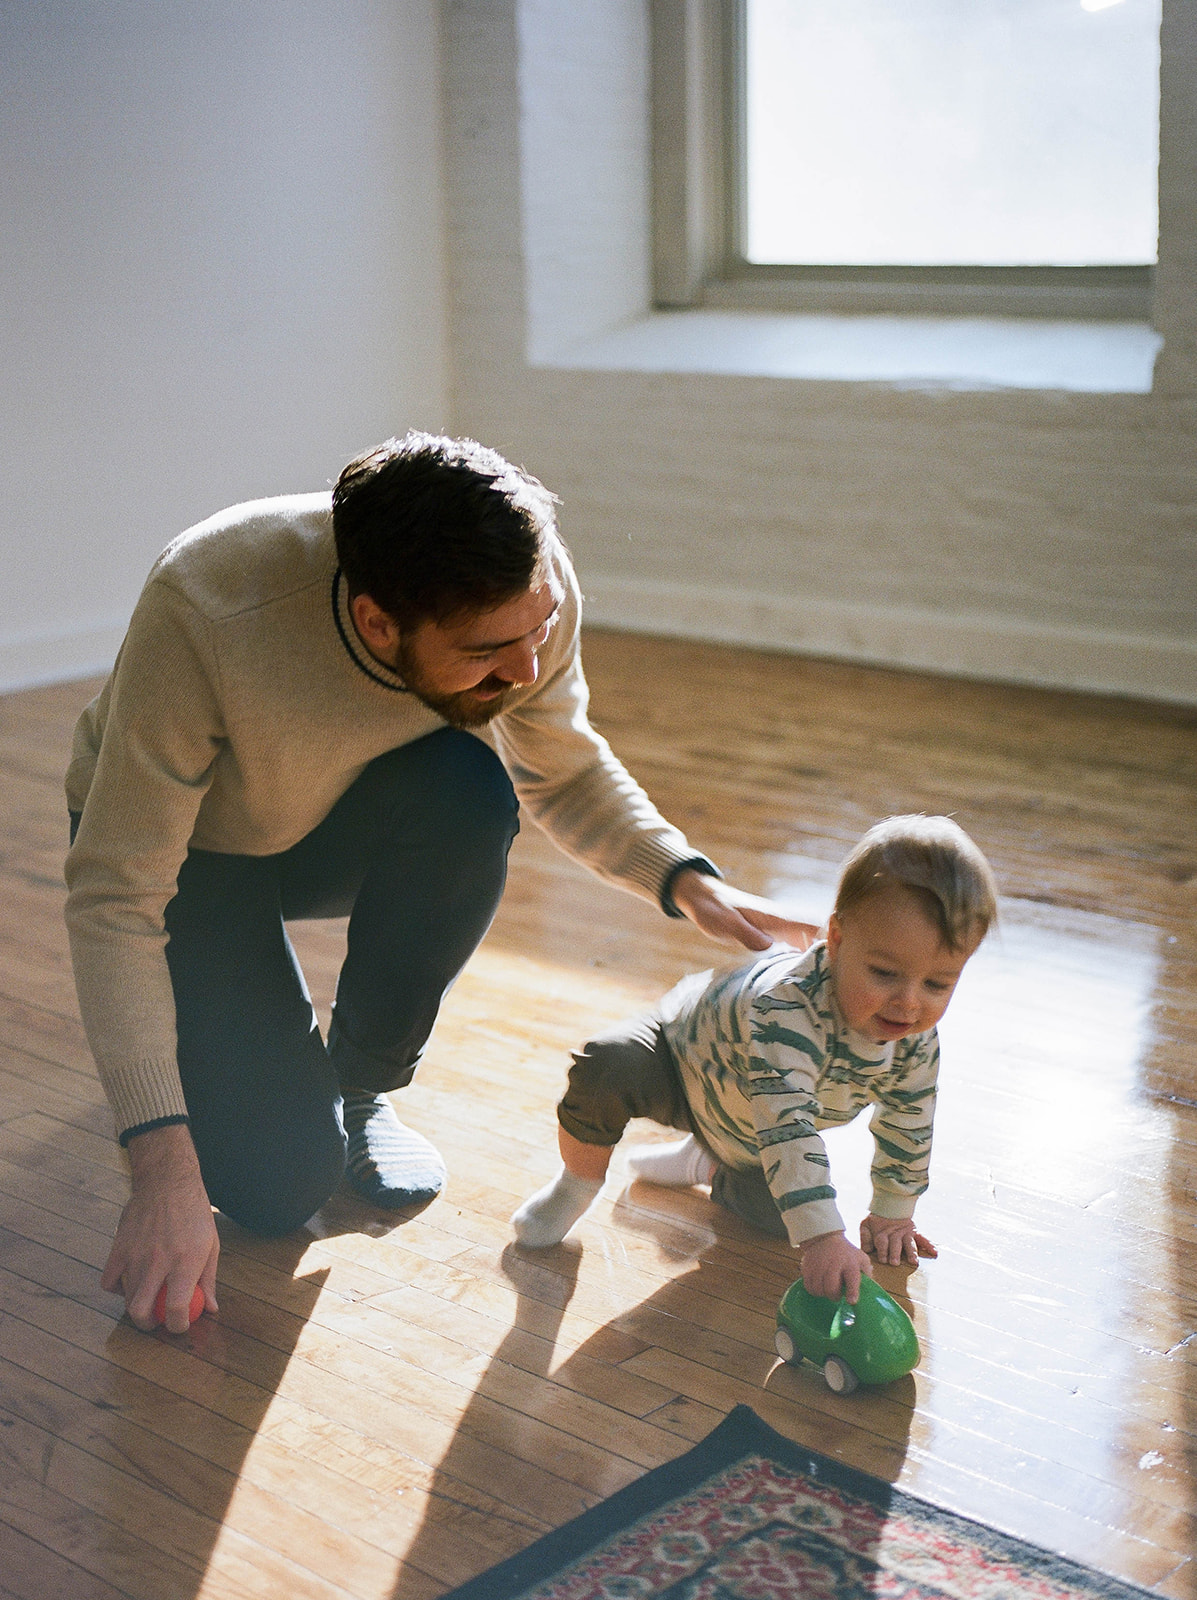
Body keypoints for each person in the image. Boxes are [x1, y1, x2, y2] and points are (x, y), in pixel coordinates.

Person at [64, 431, 817, 1332]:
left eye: (537, 632)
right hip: (191, 855)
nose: (526, 669)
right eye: (489, 650)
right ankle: (257, 1051)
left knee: (468, 790)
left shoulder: (524, 588)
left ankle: (356, 1084)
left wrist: (691, 882)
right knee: (276, 1193)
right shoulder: (209, 604)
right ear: (380, 623)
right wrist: (158, 1167)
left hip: (333, 818)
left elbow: (562, 766)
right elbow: (117, 900)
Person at [512, 814, 997, 1302]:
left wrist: (894, 1213)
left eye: (938, 983)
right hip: (680, 1058)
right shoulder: (788, 1006)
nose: (910, 1003)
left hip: (746, 1126)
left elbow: (909, 1125)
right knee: (607, 1066)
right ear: (838, 939)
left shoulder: (915, 1043)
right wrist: (825, 1238)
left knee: (780, 1216)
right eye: (885, 972)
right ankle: (575, 1184)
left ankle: (707, 1163)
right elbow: (788, 1124)